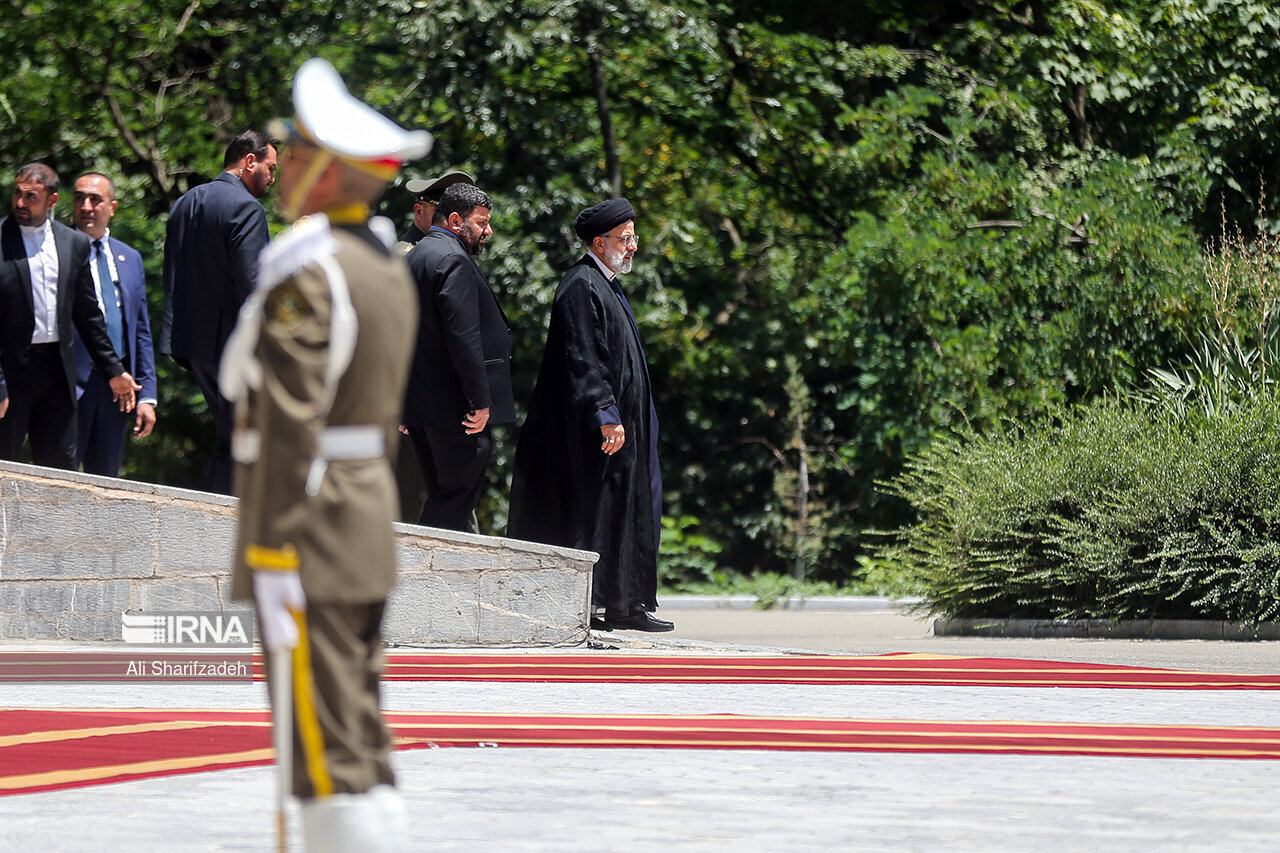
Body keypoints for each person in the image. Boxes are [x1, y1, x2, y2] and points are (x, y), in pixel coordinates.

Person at [219, 57, 431, 850]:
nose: (286, 169)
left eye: (300, 154)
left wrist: (271, 545)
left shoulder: (312, 271)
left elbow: (287, 419)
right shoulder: (382, 266)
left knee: (320, 736)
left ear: (331, 172)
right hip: (362, 511)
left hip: (309, 519)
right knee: (354, 719)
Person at [508, 197, 672, 632]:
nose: (633, 246)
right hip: (596, 431)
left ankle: (626, 603)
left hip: (625, 426)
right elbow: (582, 356)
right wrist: (604, 412)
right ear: (599, 243)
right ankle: (599, 605)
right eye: (625, 238)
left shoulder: (608, 283)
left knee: (627, 510)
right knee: (596, 513)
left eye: (634, 237)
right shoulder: (581, 284)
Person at [160, 130, 277, 493]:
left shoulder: (186, 202)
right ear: (249, 162)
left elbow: (172, 270)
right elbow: (254, 286)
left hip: (191, 343)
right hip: (232, 347)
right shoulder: (246, 208)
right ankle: (224, 525)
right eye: (270, 168)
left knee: (233, 438)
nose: (272, 178)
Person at [0, 163, 139, 469]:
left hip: (57, 372)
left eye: (31, 196)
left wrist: (114, 370)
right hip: (10, 371)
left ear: (52, 200)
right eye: (17, 194)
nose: (21, 203)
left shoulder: (71, 243)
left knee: (59, 469)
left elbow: (88, 315)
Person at [401, 182, 514, 532]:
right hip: (454, 409)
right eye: (481, 223)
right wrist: (480, 401)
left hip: (421, 405)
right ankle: (418, 578)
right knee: (452, 500)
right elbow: (463, 338)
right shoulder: (452, 258)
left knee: (443, 495)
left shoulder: (415, 255)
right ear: (454, 220)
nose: (488, 231)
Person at [391, 170, 473, 522]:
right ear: (420, 211)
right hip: (413, 397)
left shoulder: (445, 253)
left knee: (449, 494)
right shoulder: (405, 255)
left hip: (440, 398)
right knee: (414, 496)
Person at [71, 172, 158, 476]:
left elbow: (141, 330)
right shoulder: (58, 249)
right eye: (80, 198)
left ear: (113, 207)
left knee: (106, 480)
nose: (86, 206)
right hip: (70, 381)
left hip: (119, 388)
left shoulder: (129, 257)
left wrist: (147, 396)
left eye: (95, 199)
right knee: (59, 474)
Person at [392, 170, 473, 253]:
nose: (451, 218)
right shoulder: (405, 254)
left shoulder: (453, 247)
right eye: (441, 211)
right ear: (419, 211)